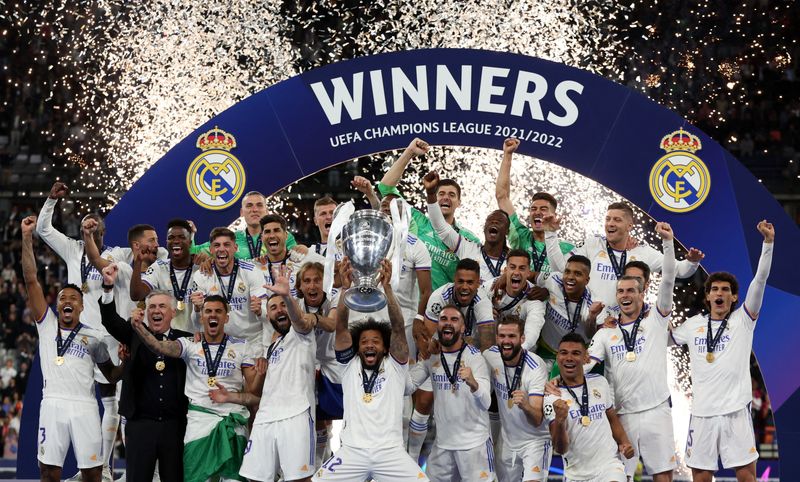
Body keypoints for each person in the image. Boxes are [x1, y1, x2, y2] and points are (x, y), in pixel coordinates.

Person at [36, 182, 148, 481]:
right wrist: (51, 200)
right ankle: (106, 468)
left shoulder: (118, 255)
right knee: (100, 402)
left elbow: (153, 252)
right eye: (88, 225)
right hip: (83, 339)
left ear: (104, 233)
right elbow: (43, 230)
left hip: (115, 336)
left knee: (124, 401)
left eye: (97, 228)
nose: (92, 230)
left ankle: (133, 470)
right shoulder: (73, 250)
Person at [671, 220, 774, 482]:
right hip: (702, 412)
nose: (720, 293)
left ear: (734, 297)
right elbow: (664, 339)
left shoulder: (744, 320)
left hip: (735, 411)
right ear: (707, 297)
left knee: (747, 476)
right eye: (714, 289)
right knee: (702, 477)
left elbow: (760, 280)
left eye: (725, 290)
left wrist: (768, 243)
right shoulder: (692, 326)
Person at [20, 215, 121, 482]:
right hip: (52, 404)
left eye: (74, 298)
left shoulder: (94, 338)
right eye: (63, 297)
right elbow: (31, 280)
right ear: (57, 304)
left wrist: (129, 361)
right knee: (49, 472)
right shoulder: (46, 325)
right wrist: (27, 239)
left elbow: (111, 375)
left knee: (91, 474)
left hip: (86, 407)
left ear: (81, 306)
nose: (68, 301)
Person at [313, 257, 428, 481]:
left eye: (375, 341)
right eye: (364, 341)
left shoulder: (395, 365)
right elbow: (342, 328)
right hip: (352, 451)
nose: (369, 345)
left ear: (386, 347)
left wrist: (387, 289)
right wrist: (345, 289)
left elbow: (396, 327)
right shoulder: (349, 365)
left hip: (390, 452)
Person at [585, 222, 679, 481]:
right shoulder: (606, 331)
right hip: (622, 413)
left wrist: (668, 242)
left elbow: (669, 278)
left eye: (630, 291)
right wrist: (559, 378)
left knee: (663, 475)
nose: (625, 295)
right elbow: (585, 364)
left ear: (642, 293)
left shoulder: (657, 320)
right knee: (619, 474)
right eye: (620, 291)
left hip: (656, 410)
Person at [133, 294, 258, 482]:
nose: (212, 315)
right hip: (198, 423)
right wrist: (138, 327)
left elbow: (255, 397)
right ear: (201, 317)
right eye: (208, 311)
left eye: (218, 311)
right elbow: (159, 347)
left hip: (233, 424)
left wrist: (230, 397)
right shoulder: (190, 344)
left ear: (226, 317)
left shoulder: (243, 346)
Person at [219, 266, 318, 482]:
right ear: (268, 315)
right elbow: (255, 390)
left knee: (299, 479)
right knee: (255, 479)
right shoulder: (271, 346)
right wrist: (261, 373)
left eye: (283, 305)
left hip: (296, 414)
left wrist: (286, 296)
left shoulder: (303, 333)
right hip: (266, 417)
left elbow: (300, 320)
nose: (279, 310)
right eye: (273, 307)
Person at [98, 273, 192, 482]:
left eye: (161, 307)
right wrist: (107, 287)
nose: (156, 311)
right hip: (140, 426)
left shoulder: (186, 341)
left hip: (175, 427)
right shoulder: (133, 334)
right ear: (145, 312)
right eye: (152, 307)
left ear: (173, 312)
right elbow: (110, 320)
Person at [543, 202, 703, 307]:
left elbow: (679, 271)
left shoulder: (643, 252)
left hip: (624, 328)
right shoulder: (593, 244)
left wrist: (692, 262)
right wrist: (550, 233)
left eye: (617, 220)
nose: (610, 223)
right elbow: (560, 268)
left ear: (629, 226)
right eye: (608, 219)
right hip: (589, 323)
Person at [378, 138, 481, 288]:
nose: (446, 197)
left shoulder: (468, 239)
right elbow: (385, 188)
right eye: (441, 194)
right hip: (409, 306)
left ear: (459, 203)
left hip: (445, 308)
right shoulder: (416, 220)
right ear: (433, 196)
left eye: (452, 195)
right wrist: (409, 152)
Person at [410, 305, 493, 482]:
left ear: (463, 328)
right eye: (443, 319)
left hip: (474, 446)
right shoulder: (432, 356)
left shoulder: (475, 357)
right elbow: (407, 387)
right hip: (443, 445)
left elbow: (486, 402)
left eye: (454, 320)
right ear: (438, 325)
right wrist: (407, 362)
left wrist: (473, 383)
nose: (448, 323)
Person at [544, 333, 634, 482]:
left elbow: (611, 418)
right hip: (576, 475)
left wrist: (624, 442)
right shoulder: (551, 397)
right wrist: (560, 421)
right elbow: (560, 449)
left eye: (576, 353)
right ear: (557, 358)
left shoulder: (600, 382)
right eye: (564, 353)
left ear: (585, 357)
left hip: (609, 466)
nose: (569, 358)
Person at [483, 315, 551, 482]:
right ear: (497, 338)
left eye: (512, 336)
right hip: (507, 441)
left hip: (535, 441)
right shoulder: (490, 356)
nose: (506, 341)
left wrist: (526, 405)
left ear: (522, 339)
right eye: (502, 336)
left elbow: (537, 419)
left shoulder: (535, 367)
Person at [495, 138, 573, 274]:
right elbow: (502, 196)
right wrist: (507, 155)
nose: (537, 212)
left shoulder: (566, 248)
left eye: (543, 209)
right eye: (533, 209)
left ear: (553, 216)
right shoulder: (521, 236)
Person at [188, 227, 268, 353]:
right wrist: (197, 309)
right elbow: (197, 323)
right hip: (220, 344)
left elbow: (265, 314)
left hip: (252, 342)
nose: (221, 249)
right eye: (216, 245)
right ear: (211, 250)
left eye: (226, 245)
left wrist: (259, 310)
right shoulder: (202, 275)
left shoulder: (251, 271)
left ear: (235, 248)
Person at [425, 170, 511, 283]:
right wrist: (431, 194)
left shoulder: (513, 261)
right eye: (490, 221)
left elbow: (531, 278)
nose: (494, 222)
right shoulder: (468, 248)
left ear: (507, 231)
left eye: (499, 221)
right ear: (484, 228)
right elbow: (440, 226)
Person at [293, 262, 341, 467]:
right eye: (307, 281)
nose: (312, 286)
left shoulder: (336, 297)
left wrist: (313, 318)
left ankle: (343, 461)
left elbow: (331, 325)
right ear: (300, 287)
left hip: (333, 364)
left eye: (317, 280)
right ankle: (319, 466)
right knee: (315, 419)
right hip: (306, 365)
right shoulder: (294, 305)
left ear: (326, 282)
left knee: (340, 415)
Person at [533, 255, 602, 375]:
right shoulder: (554, 279)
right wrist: (504, 277)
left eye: (577, 274)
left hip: (575, 359)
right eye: (567, 271)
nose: (570, 277)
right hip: (545, 352)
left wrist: (592, 317)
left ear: (587, 280)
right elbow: (531, 275)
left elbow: (592, 335)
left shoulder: (594, 303)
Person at [130, 219, 197, 331]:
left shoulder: (201, 268)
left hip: (195, 339)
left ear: (190, 242)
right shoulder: (158, 268)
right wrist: (138, 263)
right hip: (166, 341)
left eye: (181, 237)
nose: (176, 241)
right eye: (171, 238)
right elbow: (136, 295)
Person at [191, 191, 297, 259]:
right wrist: (191, 235)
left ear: (267, 210)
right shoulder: (230, 239)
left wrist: (303, 249)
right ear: (242, 212)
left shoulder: (282, 236)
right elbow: (193, 252)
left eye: (259, 205)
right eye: (249, 206)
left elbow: (298, 258)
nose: (254, 210)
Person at [258, 214, 326, 298]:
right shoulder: (256, 265)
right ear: (262, 237)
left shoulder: (304, 257)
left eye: (276, 230)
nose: (272, 235)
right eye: (267, 232)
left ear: (286, 235)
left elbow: (334, 269)